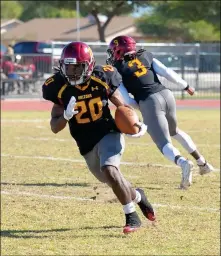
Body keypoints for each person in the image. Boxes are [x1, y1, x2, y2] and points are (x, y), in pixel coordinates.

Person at [42, 41, 155, 234]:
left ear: (89, 65)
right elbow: (54, 127)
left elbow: (121, 107)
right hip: (85, 142)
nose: (72, 72)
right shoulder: (58, 86)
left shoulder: (102, 77)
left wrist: (134, 124)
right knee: (110, 179)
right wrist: (65, 117)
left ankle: (131, 216)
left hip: (107, 132)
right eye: (68, 67)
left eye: (77, 67)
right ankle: (137, 196)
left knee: (110, 170)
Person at [106, 36, 214, 189]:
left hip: (149, 100)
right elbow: (167, 72)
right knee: (174, 131)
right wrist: (185, 86)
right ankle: (202, 163)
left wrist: (141, 106)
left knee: (163, 143)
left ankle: (183, 163)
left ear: (119, 50)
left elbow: (127, 101)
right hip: (167, 94)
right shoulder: (145, 55)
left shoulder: (117, 69)